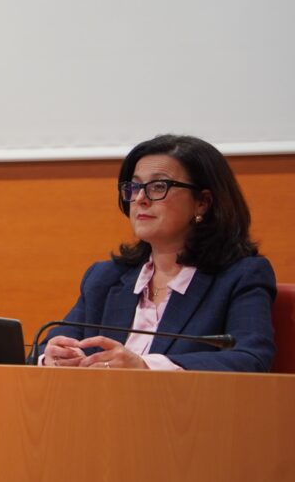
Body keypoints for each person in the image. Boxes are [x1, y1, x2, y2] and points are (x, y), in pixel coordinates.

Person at [40, 134, 276, 372]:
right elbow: (43, 350)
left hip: (185, 398)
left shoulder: (240, 276)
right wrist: (52, 357)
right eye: (134, 187)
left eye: (158, 186)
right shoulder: (104, 278)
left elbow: (251, 359)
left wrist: (145, 366)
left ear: (202, 202)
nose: (141, 199)